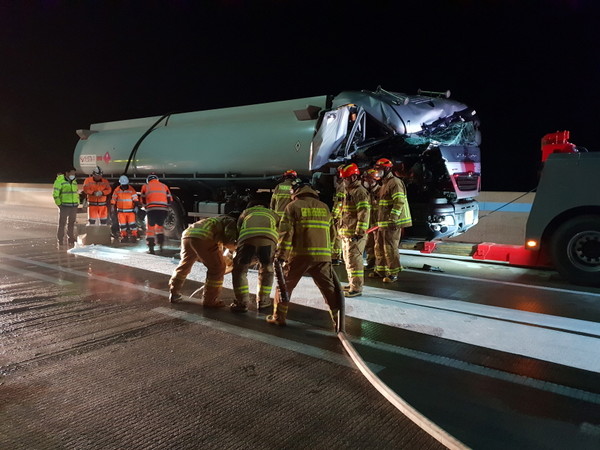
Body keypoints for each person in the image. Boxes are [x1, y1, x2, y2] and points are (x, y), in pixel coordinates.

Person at [267, 182, 343, 330]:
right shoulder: (324, 207)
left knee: (285, 286)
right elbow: (333, 234)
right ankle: (338, 322)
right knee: (329, 290)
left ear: (296, 192)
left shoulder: (293, 207)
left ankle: (278, 317)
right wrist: (331, 254)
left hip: (299, 255)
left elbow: (286, 234)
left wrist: (281, 255)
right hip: (322, 257)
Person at [168, 214, 238, 307]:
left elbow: (219, 245)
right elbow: (229, 242)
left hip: (187, 235)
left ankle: (174, 293)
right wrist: (238, 249)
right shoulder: (231, 222)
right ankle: (210, 300)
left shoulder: (214, 220)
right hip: (203, 238)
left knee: (185, 265)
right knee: (217, 269)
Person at [230, 200, 279, 312]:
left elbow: (238, 228)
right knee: (267, 269)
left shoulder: (246, 212)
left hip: (247, 239)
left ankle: (242, 303)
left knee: (240, 270)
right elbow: (280, 229)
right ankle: (264, 302)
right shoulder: (272, 213)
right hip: (268, 239)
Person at [369, 158, 412, 283]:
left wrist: (393, 218)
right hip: (384, 222)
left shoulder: (395, 183)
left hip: (392, 222)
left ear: (387, 169)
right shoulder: (385, 183)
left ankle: (393, 273)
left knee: (390, 248)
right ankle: (381, 270)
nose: (376, 171)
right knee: (380, 246)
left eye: (379, 168)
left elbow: (399, 202)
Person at [337, 163, 371, 297]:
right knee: (348, 259)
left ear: (354, 177)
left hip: (354, 234)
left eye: (346, 178)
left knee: (354, 261)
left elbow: (364, 212)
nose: (344, 181)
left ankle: (356, 288)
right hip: (347, 232)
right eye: (343, 178)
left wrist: (359, 232)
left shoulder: (359, 191)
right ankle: (352, 283)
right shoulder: (348, 191)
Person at [141, 174, 173, 254]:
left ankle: (151, 247)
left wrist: (145, 207)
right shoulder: (164, 186)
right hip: (163, 209)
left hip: (151, 209)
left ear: (148, 180)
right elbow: (170, 198)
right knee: (159, 227)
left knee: (150, 229)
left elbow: (143, 198)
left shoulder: (146, 186)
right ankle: (161, 245)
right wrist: (167, 208)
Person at [53, 167, 79, 248]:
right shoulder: (60, 181)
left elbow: (75, 193)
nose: (73, 175)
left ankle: (70, 237)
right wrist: (59, 205)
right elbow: (55, 194)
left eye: (74, 173)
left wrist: (77, 203)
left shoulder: (74, 181)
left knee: (71, 223)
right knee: (62, 223)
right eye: (72, 173)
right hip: (64, 206)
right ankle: (60, 239)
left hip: (73, 206)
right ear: (67, 173)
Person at [111, 175, 140, 243]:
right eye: (123, 185)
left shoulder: (131, 190)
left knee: (133, 225)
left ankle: (134, 236)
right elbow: (113, 199)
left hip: (130, 211)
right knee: (122, 225)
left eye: (125, 185)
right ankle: (124, 236)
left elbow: (135, 199)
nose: (124, 186)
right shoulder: (117, 190)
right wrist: (112, 207)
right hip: (121, 211)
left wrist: (136, 206)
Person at [362, 168, 380, 270]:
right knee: (369, 244)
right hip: (370, 222)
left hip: (378, 223)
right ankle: (371, 263)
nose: (366, 182)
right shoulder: (367, 192)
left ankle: (379, 265)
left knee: (378, 245)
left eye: (368, 179)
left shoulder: (380, 191)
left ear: (373, 180)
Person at [330, 165, 345, 266]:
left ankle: (336, 257)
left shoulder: (343, 185)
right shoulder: (341, 184)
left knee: (337, 236)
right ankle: (337, 257)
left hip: (339, 215)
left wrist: (335, 215)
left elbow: (340, 202)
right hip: (340, 214)